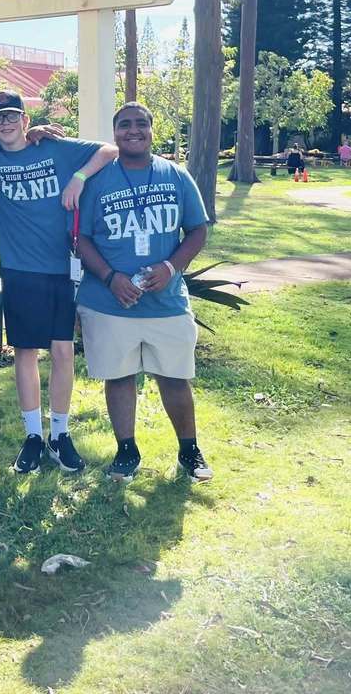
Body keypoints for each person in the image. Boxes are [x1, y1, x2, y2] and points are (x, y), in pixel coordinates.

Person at [0, 92, 117, 475]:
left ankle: (60, 436)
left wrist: (78, 179)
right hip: (18, 268)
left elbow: (109, 150)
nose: (5, 124)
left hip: (61, 267)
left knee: (63, 352)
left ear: (25, 118)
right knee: (25, 352)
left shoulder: (54, 148)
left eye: (12, 116)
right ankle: (33, 435)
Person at [75, 102, 213, 483]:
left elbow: (198, 230)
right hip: (109, 303)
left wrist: (170, 268)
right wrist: (109, 277)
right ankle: (126, 451)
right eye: (123, 125)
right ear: (114, 132)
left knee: (174, 377)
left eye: (140, 124)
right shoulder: (99, 180)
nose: (132, 131)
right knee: (119, 377)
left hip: (165, 303)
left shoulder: (176, 175)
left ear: (153, 130)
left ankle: (189, 450)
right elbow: (81, 237)